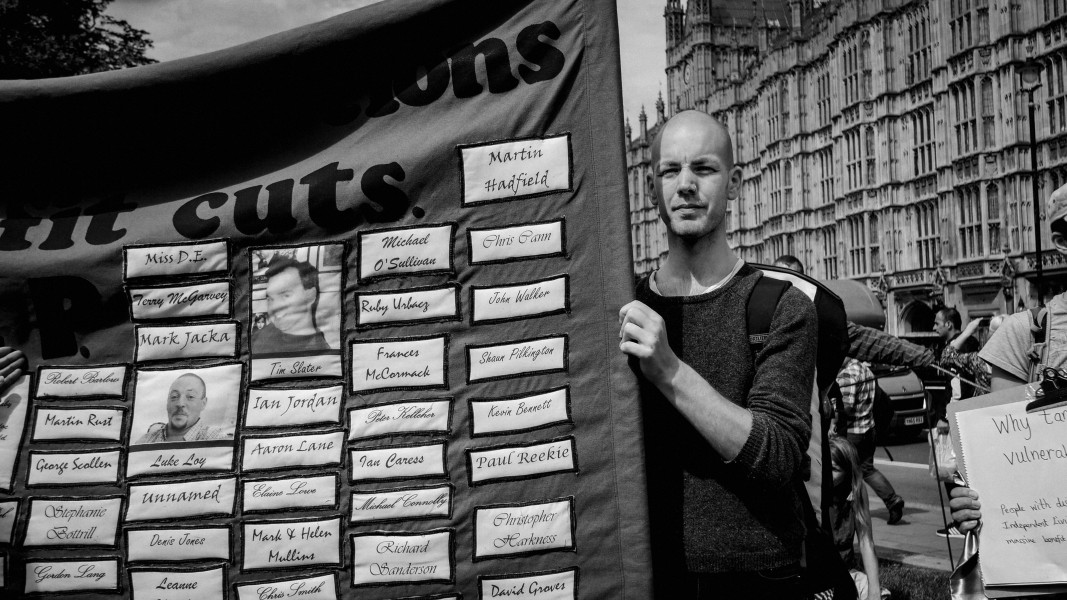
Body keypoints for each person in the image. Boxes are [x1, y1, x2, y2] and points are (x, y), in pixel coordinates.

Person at [618, 110, 817, 599]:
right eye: (670, 171)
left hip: (758, 580)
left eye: (703, 169)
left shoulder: (781, 306)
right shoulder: (622, 308)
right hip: (652, 575)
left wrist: (669, 370)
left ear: (734, 183)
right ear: (651, 190)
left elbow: (778, 457)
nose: (685, 185)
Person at [772, 255, 936, 368]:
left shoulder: (814, 319)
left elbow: (871, 342)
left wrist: (926, 356)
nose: (786, 288)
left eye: (793, 281)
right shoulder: (754, 314)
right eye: (779, 280)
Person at [834, 357, 906, 525]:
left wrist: (831, 409)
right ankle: (892, 500)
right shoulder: (864, 369)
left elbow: (846, 407)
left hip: (853, 433)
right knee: (867, 469)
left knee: (847, 476)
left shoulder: (847, 375)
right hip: (868, 429)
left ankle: (850, 513)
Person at [828, 435, 885, 600]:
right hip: (819, 575)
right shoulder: (818, 491)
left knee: (880, 594)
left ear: (848, 471)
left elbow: (866, 542)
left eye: (834, 469)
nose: (827, 474)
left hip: (845, 572)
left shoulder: (857, 491)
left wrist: (874, 593)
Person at [252, 257, 329, 353]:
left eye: (285, 295)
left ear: (310, 296)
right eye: (270, 299)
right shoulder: (263, 335)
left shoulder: (318, 355)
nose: (274, 307)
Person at [137, 373, 226, 443]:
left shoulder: (216, 439)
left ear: (203, 403)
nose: (180, 403)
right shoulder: (145, 441)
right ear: (167, 402)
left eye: (190, 396)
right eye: (174, 396)